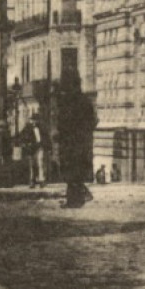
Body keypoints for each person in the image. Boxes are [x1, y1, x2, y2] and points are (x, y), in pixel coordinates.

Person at [55, 69, 97, 208]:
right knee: (76, 171)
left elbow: (62, 123)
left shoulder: (67, 102)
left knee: (71, 170)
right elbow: (93, 122)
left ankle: (75, 199)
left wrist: (62, 134)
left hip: (70, 142)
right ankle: (76, 198)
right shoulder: (85, 101)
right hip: (81, 141)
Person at [19, 115, 44, 187]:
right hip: (31, 148)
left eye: (36, 120)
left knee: (40, 163)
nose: (34, 122)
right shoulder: (27, 128)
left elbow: (45, 136)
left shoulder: (41, 128)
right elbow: (21, 136)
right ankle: (32, 180)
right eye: (33, 120)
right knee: (32, 165)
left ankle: (41, 179)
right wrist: (26, 143)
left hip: (39, 147)